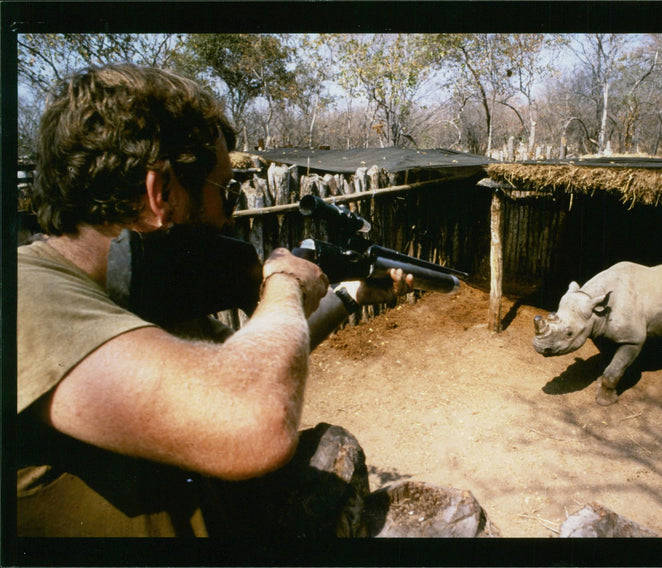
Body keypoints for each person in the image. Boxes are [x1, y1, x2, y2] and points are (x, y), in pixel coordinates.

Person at [16, 63, 412, 538]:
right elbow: (252, 418)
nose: (230, 219)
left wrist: (350, 296)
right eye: (224, 194)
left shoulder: (139, 290)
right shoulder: (25, 295)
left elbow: (258, 358)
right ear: (160, 192)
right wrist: (284, 281)